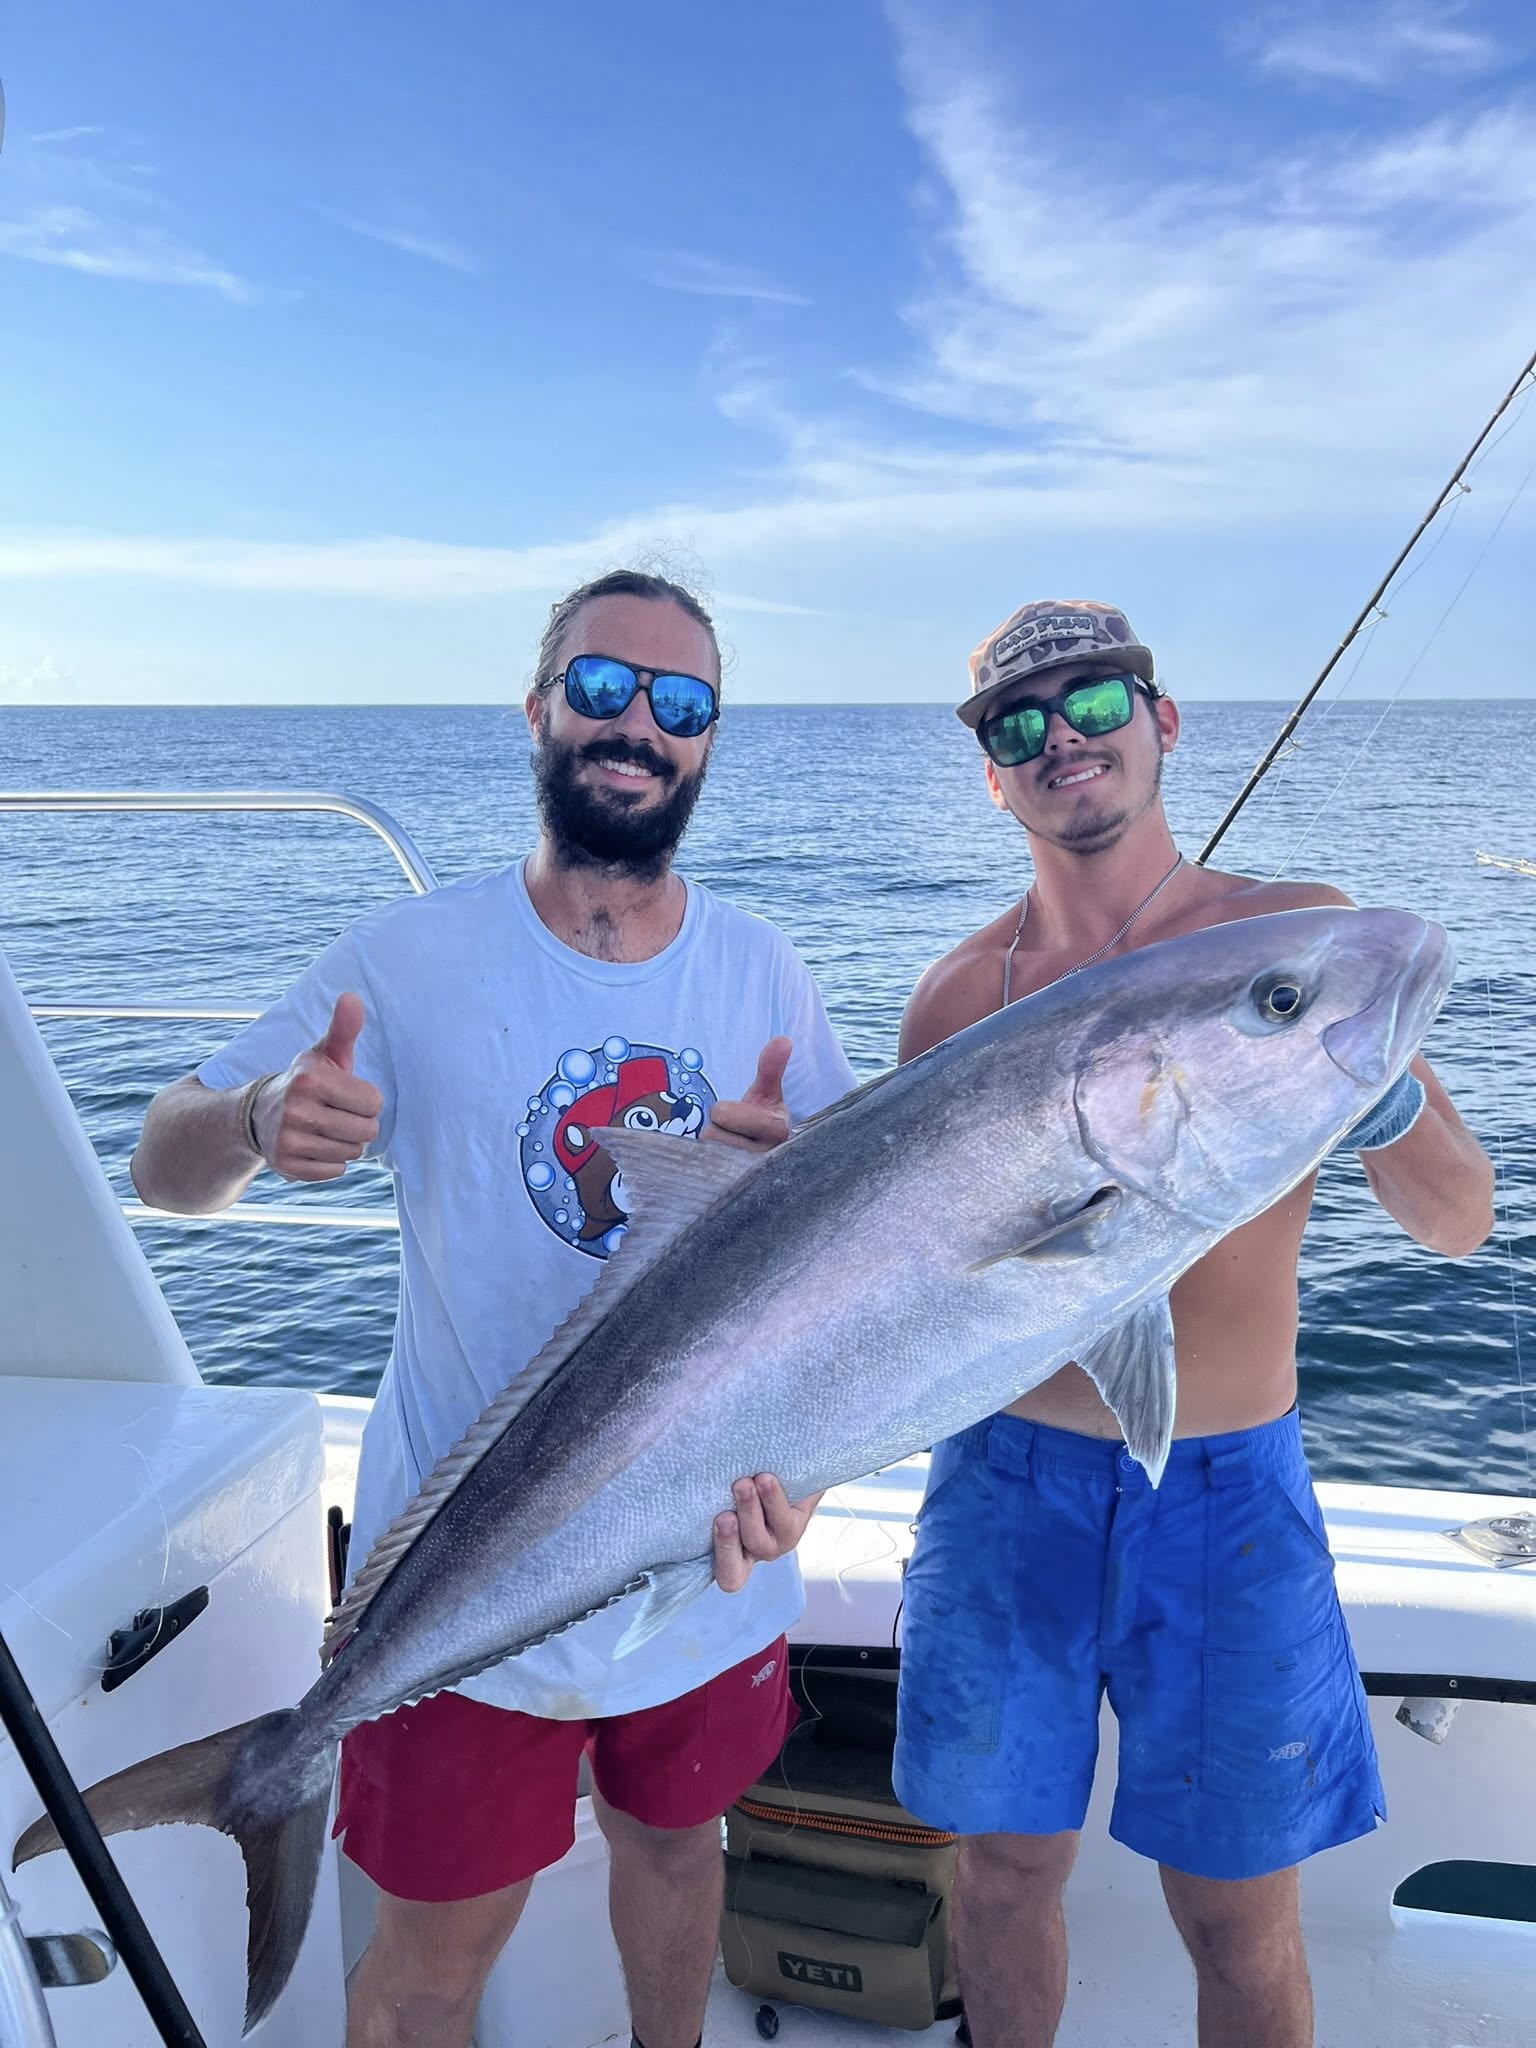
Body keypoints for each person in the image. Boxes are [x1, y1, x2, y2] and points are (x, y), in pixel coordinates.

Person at [129, 569, 856, 2048]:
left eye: (682, 703)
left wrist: (808, 1481)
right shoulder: (408, 965)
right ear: (538, 710)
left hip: (702, 1577)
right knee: (429, 1961)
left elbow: (854, 1278)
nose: (639, 726)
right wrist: (262, 1120)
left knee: (676, 1862)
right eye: (602, 688)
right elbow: (161, 1166)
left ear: (709, 743)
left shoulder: (762, 966)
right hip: (458, 1582)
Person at [890, 599, 1494, 2048]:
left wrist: (1381, 1090)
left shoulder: (1296, 952)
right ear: (992, 774)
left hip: (1226, 1487)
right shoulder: (956, 1002)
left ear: (1163, 722)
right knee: (1001, 1870)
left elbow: (1459, 1221)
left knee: (1235, 1909)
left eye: (1095, 704)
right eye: (1019, 725)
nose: (1064, 743)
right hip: (1002, 1479)